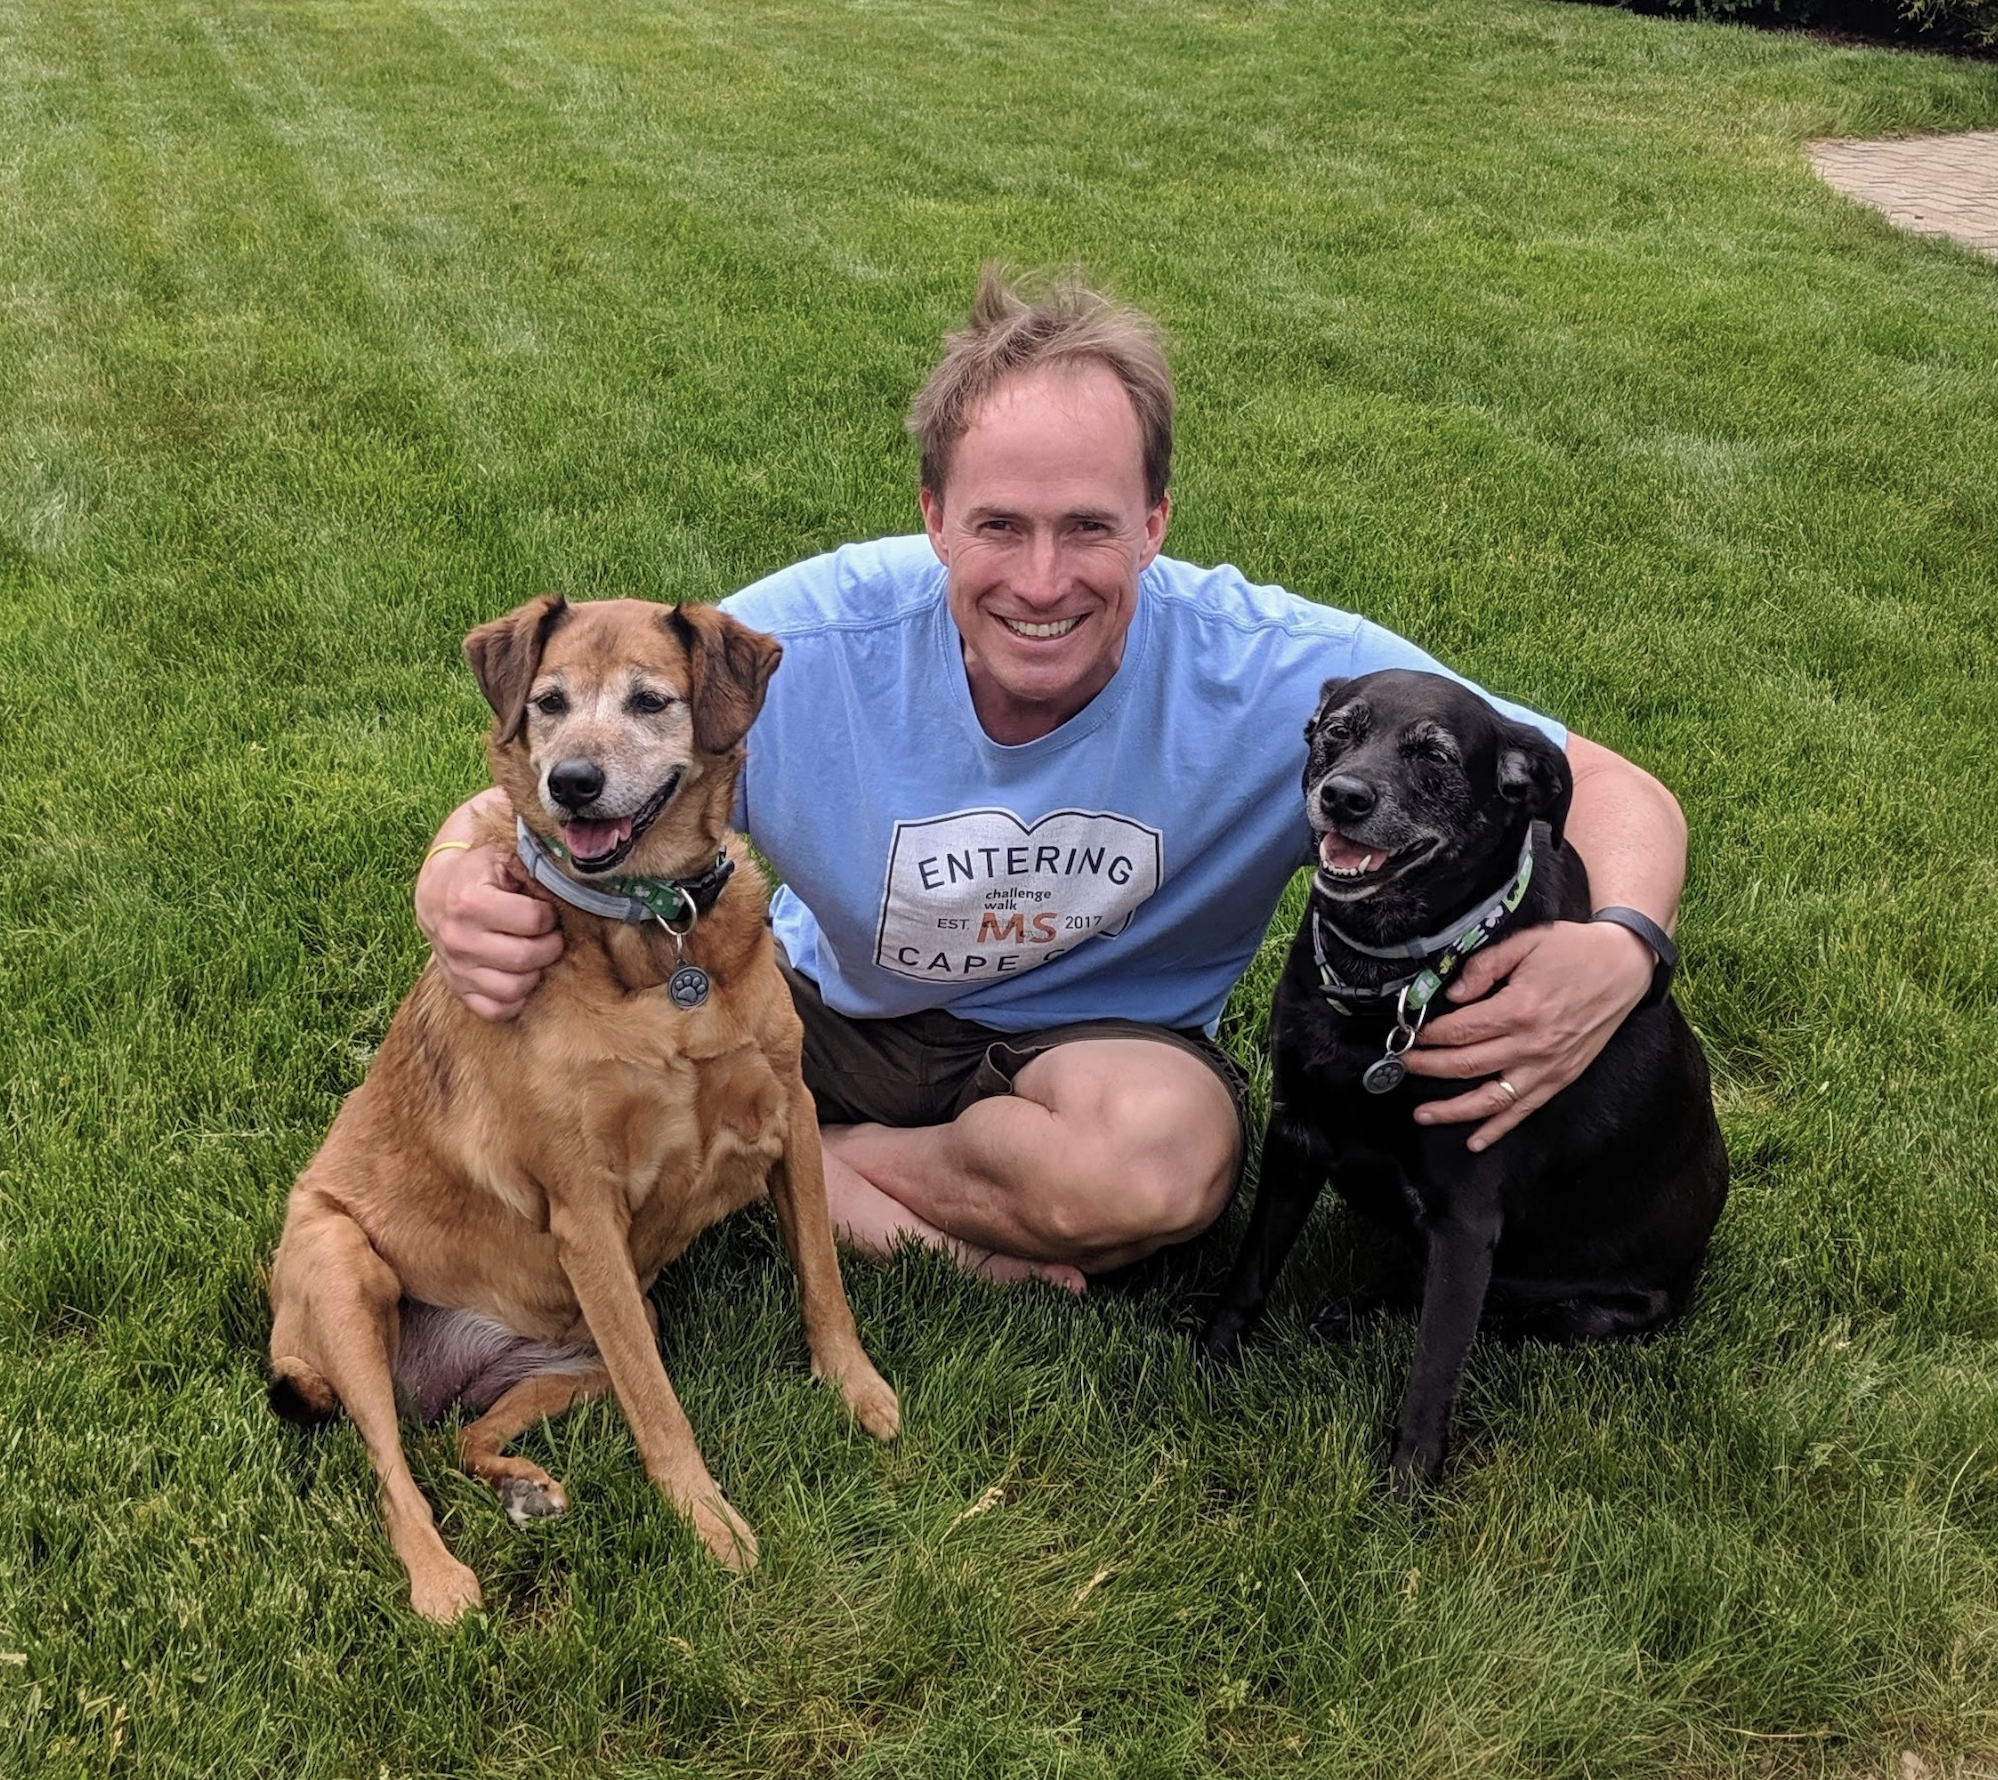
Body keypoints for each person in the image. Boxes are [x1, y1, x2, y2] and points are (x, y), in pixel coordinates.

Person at [416, 267, 1685, 1295]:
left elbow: (1619, 790)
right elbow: (558, 771)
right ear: (932, 518)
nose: (1039, 581)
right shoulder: (803, 644)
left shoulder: (1275, 670)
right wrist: (450, 872)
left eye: (1087, 527)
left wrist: (1622, 946)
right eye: (998, 528)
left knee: (1167, 1177)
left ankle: (800, 1168)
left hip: (1099, 1049)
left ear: (1156, 522)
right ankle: (840, 1175)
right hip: (842, 1016)